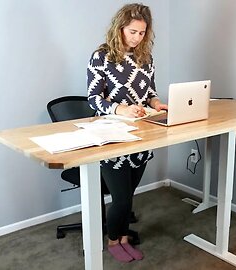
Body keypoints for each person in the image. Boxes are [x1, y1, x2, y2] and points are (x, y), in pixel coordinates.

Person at [86, 3, 167, 263]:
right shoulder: (101, 57)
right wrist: (120, 108)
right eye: (132, 32)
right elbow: (93, 99)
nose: (137, 38)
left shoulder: (146, 58)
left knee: (129, 195)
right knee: (121, 199)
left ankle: (123, 238)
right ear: (119, 28)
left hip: (142, 135)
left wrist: (156, 104)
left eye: (142, 33)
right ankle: (112, 241)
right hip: (113, 137)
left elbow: (150, 92)